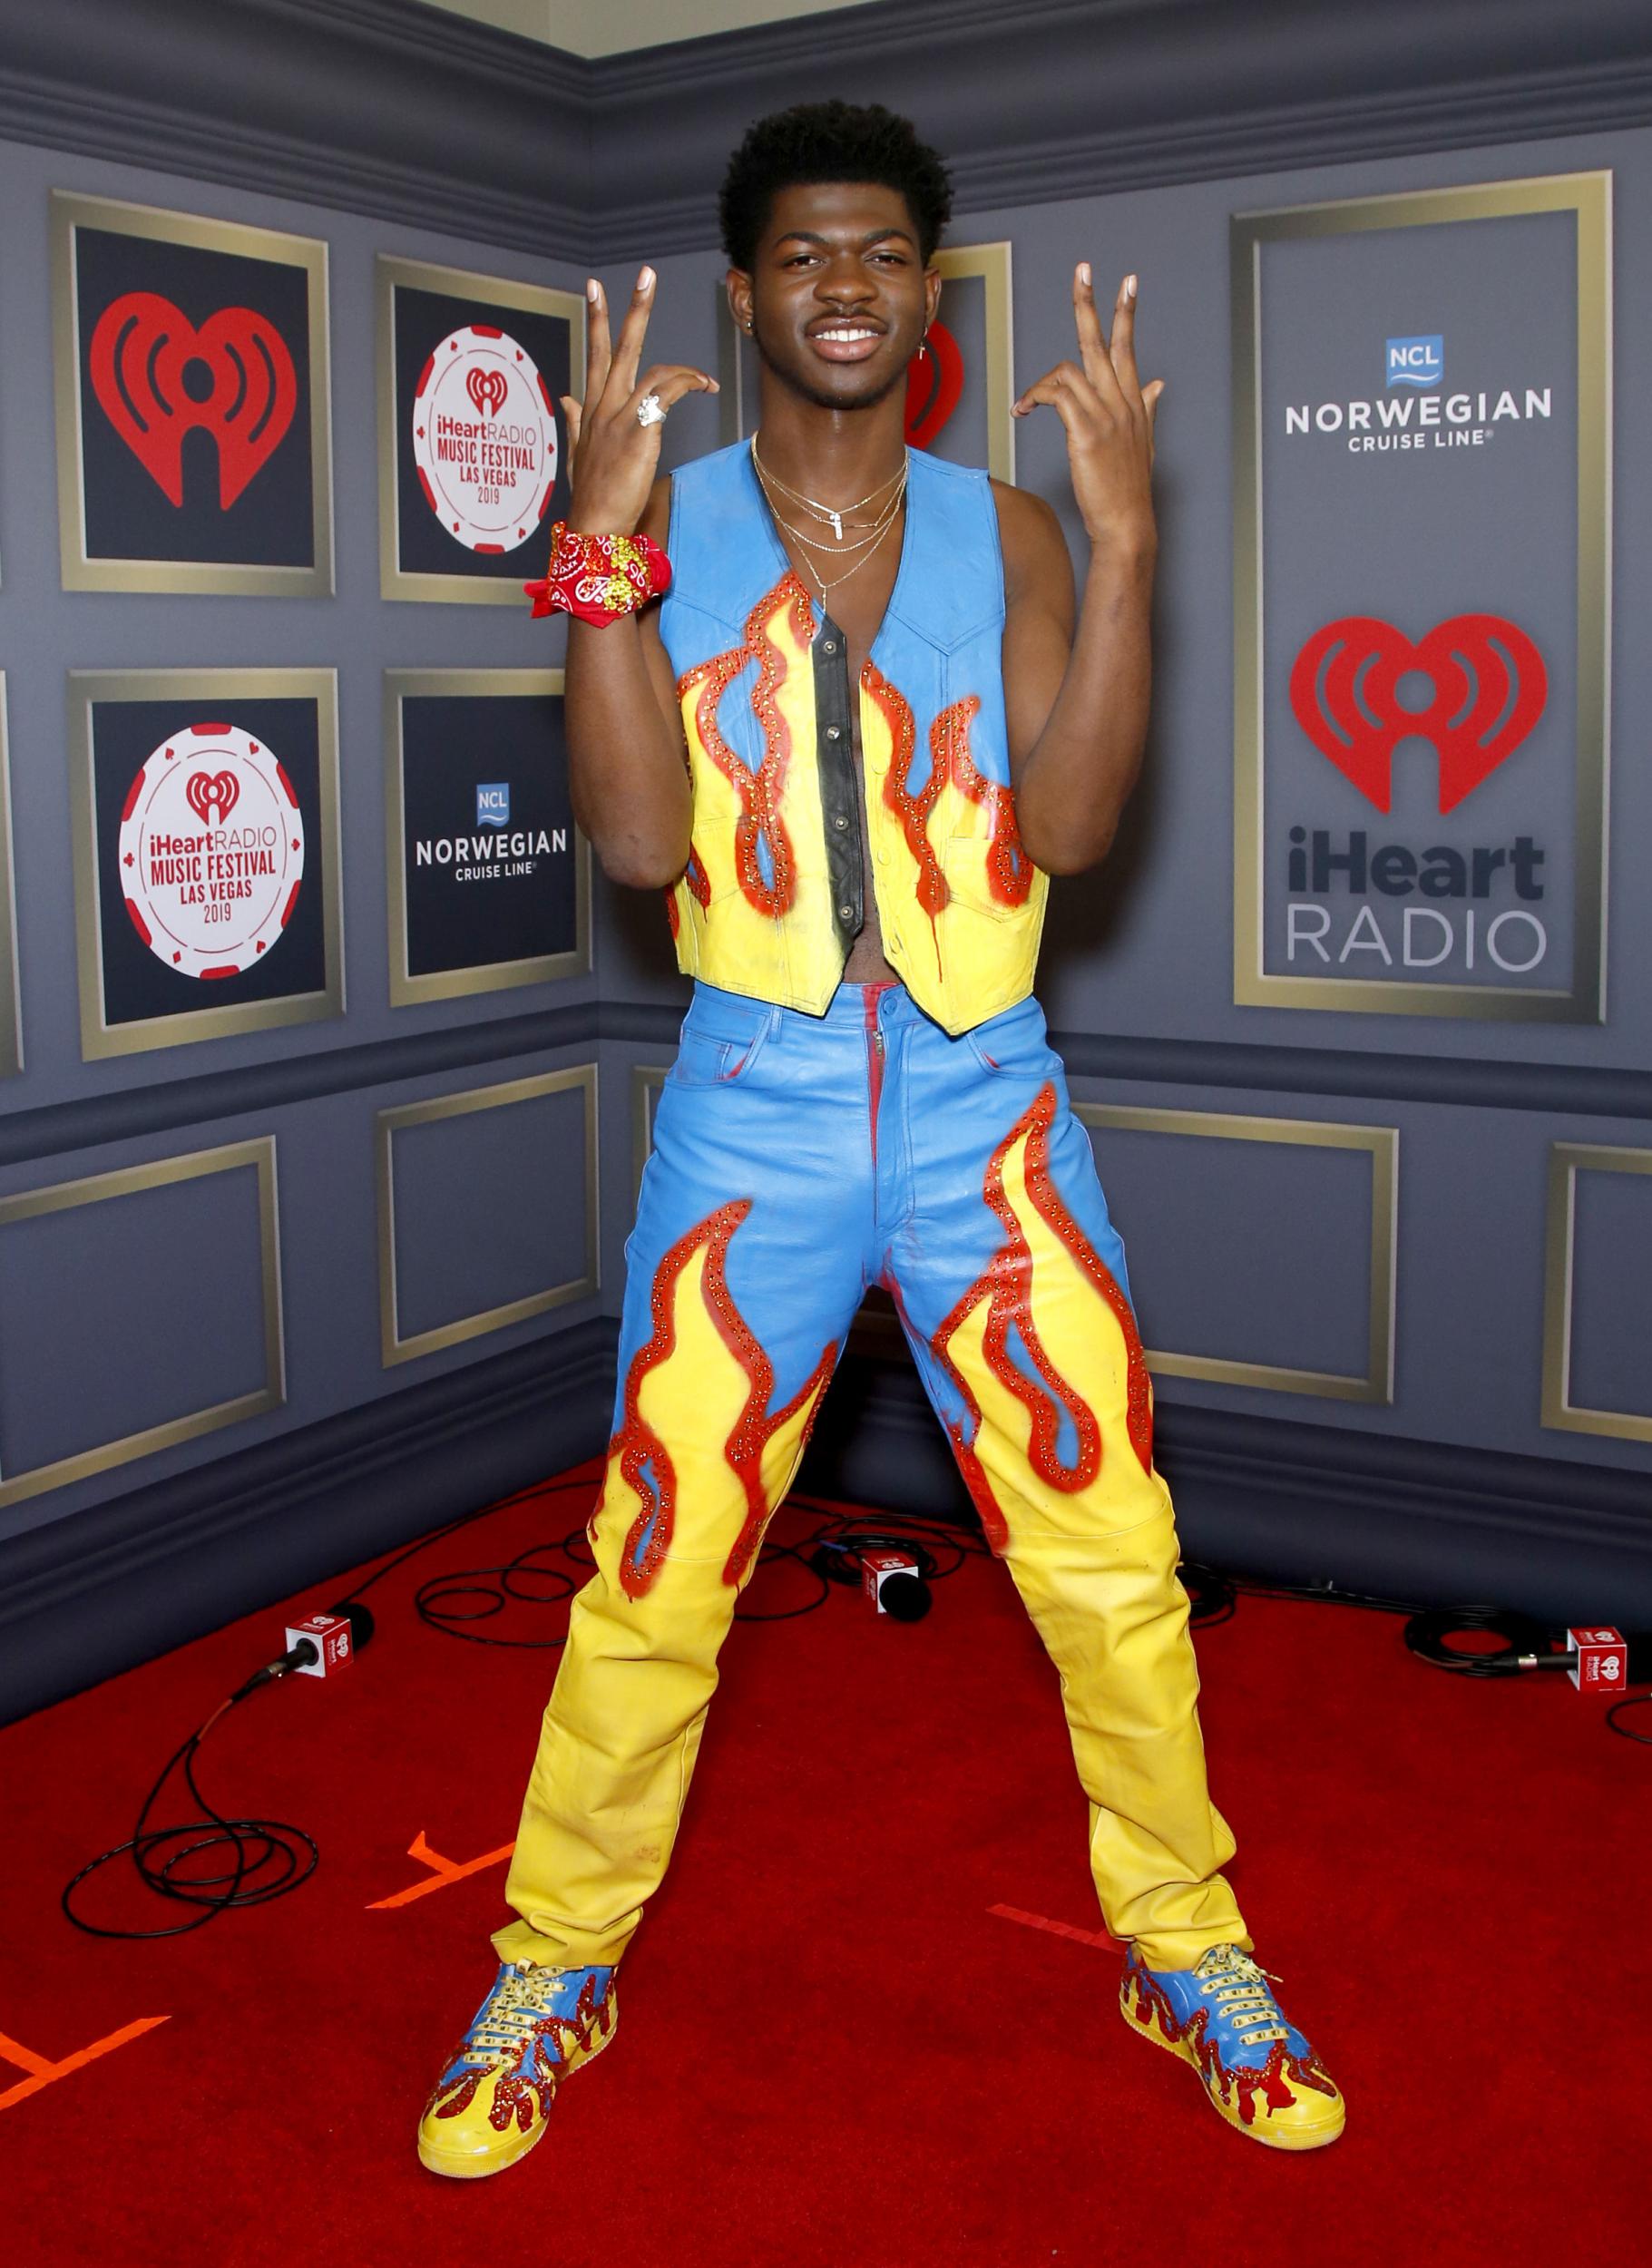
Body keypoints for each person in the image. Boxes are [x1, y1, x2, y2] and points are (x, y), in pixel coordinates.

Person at [416, 100, 1344, 2178]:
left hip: (981, 1103)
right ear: (742, 292)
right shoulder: (660, 515)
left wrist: (1123, 544)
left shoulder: (1005, 527)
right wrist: (594, 554)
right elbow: (636, 844)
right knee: (655, 1557)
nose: (845, 283)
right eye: (804, 252)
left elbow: (1071, 827)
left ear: (927, 294)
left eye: (884, 253)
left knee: (1109, 1554)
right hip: (745, 1106)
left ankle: (1182, 1937)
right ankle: (552, 1955)